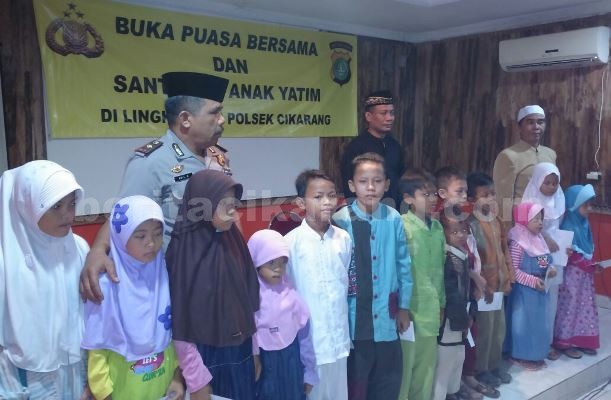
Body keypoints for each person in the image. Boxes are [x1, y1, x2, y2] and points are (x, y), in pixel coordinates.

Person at [80, 71, 231, 303]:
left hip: (218, 272)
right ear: (185, 119)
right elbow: (124, 215)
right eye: (214, 113)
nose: (222, 120)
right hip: (177, 283)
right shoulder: (151, 162)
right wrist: (98, 250)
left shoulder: (217, 156)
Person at [166, 170, 260, 400]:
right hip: (204, 362)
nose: (232, 212)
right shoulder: (183, 253)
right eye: (225, 205)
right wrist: (196, 379)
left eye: (233, 205)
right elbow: (180, 323)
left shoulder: (233, 242)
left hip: (242, 353)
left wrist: (255, 352)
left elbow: (249, 303)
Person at [0, 160, 90, 399]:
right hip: (27, 377)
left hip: (77, 367)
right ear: (26, 206)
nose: (68, 215)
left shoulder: (78, 248)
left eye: (72, 204)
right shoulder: (6, 261)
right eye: (55, 206)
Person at [82, 195, 185, 400]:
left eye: (158, 234)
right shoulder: (106, 283)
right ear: (120, 238)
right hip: (122, 388)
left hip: (161, 382)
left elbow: (169, 331)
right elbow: (97, 348)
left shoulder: (161, 272)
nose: (151, 243)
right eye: (140, 236)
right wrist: (104, 393)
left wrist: (176, 376)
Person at [333, 152, 412, 400]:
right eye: (363, 181)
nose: (370, 187)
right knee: (358, 378)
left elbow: (404, 265)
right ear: (351, 185)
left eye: (377, 181)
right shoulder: (341, 220)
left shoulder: (394, 218)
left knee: (387, 377)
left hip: (387, 316)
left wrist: (404, 307)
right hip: (356, 316)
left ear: (387, 184)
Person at [285, 169, 351, 400]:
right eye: (318, 196)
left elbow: (345, 283)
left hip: (339, 340)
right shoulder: (290, 243)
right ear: (301, 202)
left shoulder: (343, 238)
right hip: (310, 344)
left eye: (331, 195)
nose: (327, 202)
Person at [247, 229, 318, 400]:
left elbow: (305, 337)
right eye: (271, 262)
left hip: (290, 363)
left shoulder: (292, 297)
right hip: (263, 365)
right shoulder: (249, 298)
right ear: (255, 261)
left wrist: (309, 372)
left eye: (283, 262)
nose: (278, 269)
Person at [397, 174, 445, 400]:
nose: (432, 198)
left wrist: (442, 304)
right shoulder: (402, 226)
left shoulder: (437, 227)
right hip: (410, 311)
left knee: (426, 368)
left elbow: (440, 271)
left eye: (434, 193)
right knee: (405, 369)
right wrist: (401, 308)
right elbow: (398, 271)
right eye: (425, 194)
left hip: (431, 310)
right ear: (408, 199)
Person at [467, 173, 514, 388]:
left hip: (499, 287)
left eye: (493, 194)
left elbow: (504, 252)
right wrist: (479, 285)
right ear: (472, 199)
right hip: (483, 289)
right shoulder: (471, 224)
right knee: (484, 332)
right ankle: (481, 369)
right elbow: (474, 260)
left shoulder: (496, 221)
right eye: (485, 195)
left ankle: (495, 365)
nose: (491, 199)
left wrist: (509, 278)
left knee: (498, 329)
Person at [521, 162, 566, 361]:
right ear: (538, 181)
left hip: (555, 257)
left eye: (555, 183)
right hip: (533, 256)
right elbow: (522, 228)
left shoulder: (560, 198)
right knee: (533, 300)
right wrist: (545, 238)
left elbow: (559, 228)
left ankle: (545, 343)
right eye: (546, 182)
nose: (551, 187)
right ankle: (528, 345)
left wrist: (565, 245)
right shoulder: (528, 200)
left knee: (551, 300)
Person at [553, 184, 600, 359]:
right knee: (569, 307)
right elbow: (568, 254)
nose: (589, 209)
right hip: (571, 277)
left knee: (584, 307)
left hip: (584, 277)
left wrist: (592, 264)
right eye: (585, 205)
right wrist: (583, 263)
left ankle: (581, 340)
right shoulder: (568, 225)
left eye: (590, 205)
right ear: (573, 204)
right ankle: (564, 342)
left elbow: (586, 249)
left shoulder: (584, 224)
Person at [508, 202, 556, 371]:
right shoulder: (518, 242)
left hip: (540, 292)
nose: (540, 223)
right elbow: (513, 270)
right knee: (523, 324)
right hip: (524, 293)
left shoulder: (539, 240)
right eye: (535, 219)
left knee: (538, 324)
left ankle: (536, 354)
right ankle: (520, 355)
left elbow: (544, 262)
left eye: (541, 219)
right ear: (523, 219)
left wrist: (550, 271)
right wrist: (533, 281)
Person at [493, 105, 557, 226]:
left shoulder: (550, 154)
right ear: (519, 127)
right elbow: (503, 199)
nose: (536, 127)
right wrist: (507, 231)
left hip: (547, 221)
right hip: (522, 223)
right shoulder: (509, 156)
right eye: (530, 122)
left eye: (540, 122)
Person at [340, 91, 405, 208]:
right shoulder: (356, 147)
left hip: (394, 212)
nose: (389, 118)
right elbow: (349, 186)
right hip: (366, 213)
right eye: (383, 113)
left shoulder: (395, 146)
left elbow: (401, 181)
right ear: (368, 116)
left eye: (392, 113)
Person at [432, 213, 473, 400]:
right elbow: (450, 291)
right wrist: (462, 317)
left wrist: (471, 312)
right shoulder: (447, 256)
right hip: (451, 318)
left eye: (464, 230)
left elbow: (466, 289)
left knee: (458, 356)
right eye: (454, 231)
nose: (460, 235)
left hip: (462, 316)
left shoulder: (462, 255)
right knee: (446, 360)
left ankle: (452, 392)